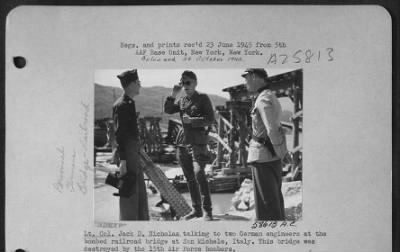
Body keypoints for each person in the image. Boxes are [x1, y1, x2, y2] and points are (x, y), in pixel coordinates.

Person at [164, 70, 215, 221]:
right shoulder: (182, 99)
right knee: (189, 178)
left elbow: (210, 119)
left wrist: (192, 120)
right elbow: (167, 110)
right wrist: (173, 95)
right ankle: (196, 210)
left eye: (188, 82)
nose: (184, 86)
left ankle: (208, 211)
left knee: (199, 174)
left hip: (198, 144)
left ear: (195, 83)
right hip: (182, 144)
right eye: (182, 83)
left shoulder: (203, 98)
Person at [241, 68, 288, 220]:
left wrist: (279, 152)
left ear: (254, 77)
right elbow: (276, 127)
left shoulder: (263, 99)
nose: (245, 82)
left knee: (266, 205)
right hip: (272, 157)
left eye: (246, 78)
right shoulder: (271, 96)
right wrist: (281, 153)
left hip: (262, 157)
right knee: (274, 201)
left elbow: (272, 129)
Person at [113, 69, 149, 220]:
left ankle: (140, 220)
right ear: (131, 84)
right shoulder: (122, 105)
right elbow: (120, 135)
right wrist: (123, 161)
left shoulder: (129, 103)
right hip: (127, 154)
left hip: (133, 152)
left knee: (138, 190)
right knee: (129, 191)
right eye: (138, 82)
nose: (140, 84)